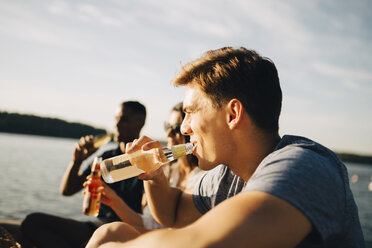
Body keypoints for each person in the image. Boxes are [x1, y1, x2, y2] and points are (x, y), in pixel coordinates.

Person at [86, 47, 364, 248]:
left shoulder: (304, 167)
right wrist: (155, 175)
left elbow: (204, 242)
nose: (183, 128)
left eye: (190, 113)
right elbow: (172, 214)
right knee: (113, 232)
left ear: (232, 115)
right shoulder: (226, 177)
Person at [21, 101, 147, 248]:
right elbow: (67, 190)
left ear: (140, 123)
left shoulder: (146, 162)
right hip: (96, 225)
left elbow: (149, 218)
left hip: (125, 231)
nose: (116, 125)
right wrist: (77, 161)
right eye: (116, 119)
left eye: (123, 119)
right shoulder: (107, 157)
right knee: (33, 222)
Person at [95, 102, 204, 233]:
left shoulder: (204, 178)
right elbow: (148, 223)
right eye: (167, 127)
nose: (169, 133)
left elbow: (176, 232)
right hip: (153, 239)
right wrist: (113, 201)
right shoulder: (166, 171)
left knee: (109, 232)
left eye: (176, 128)